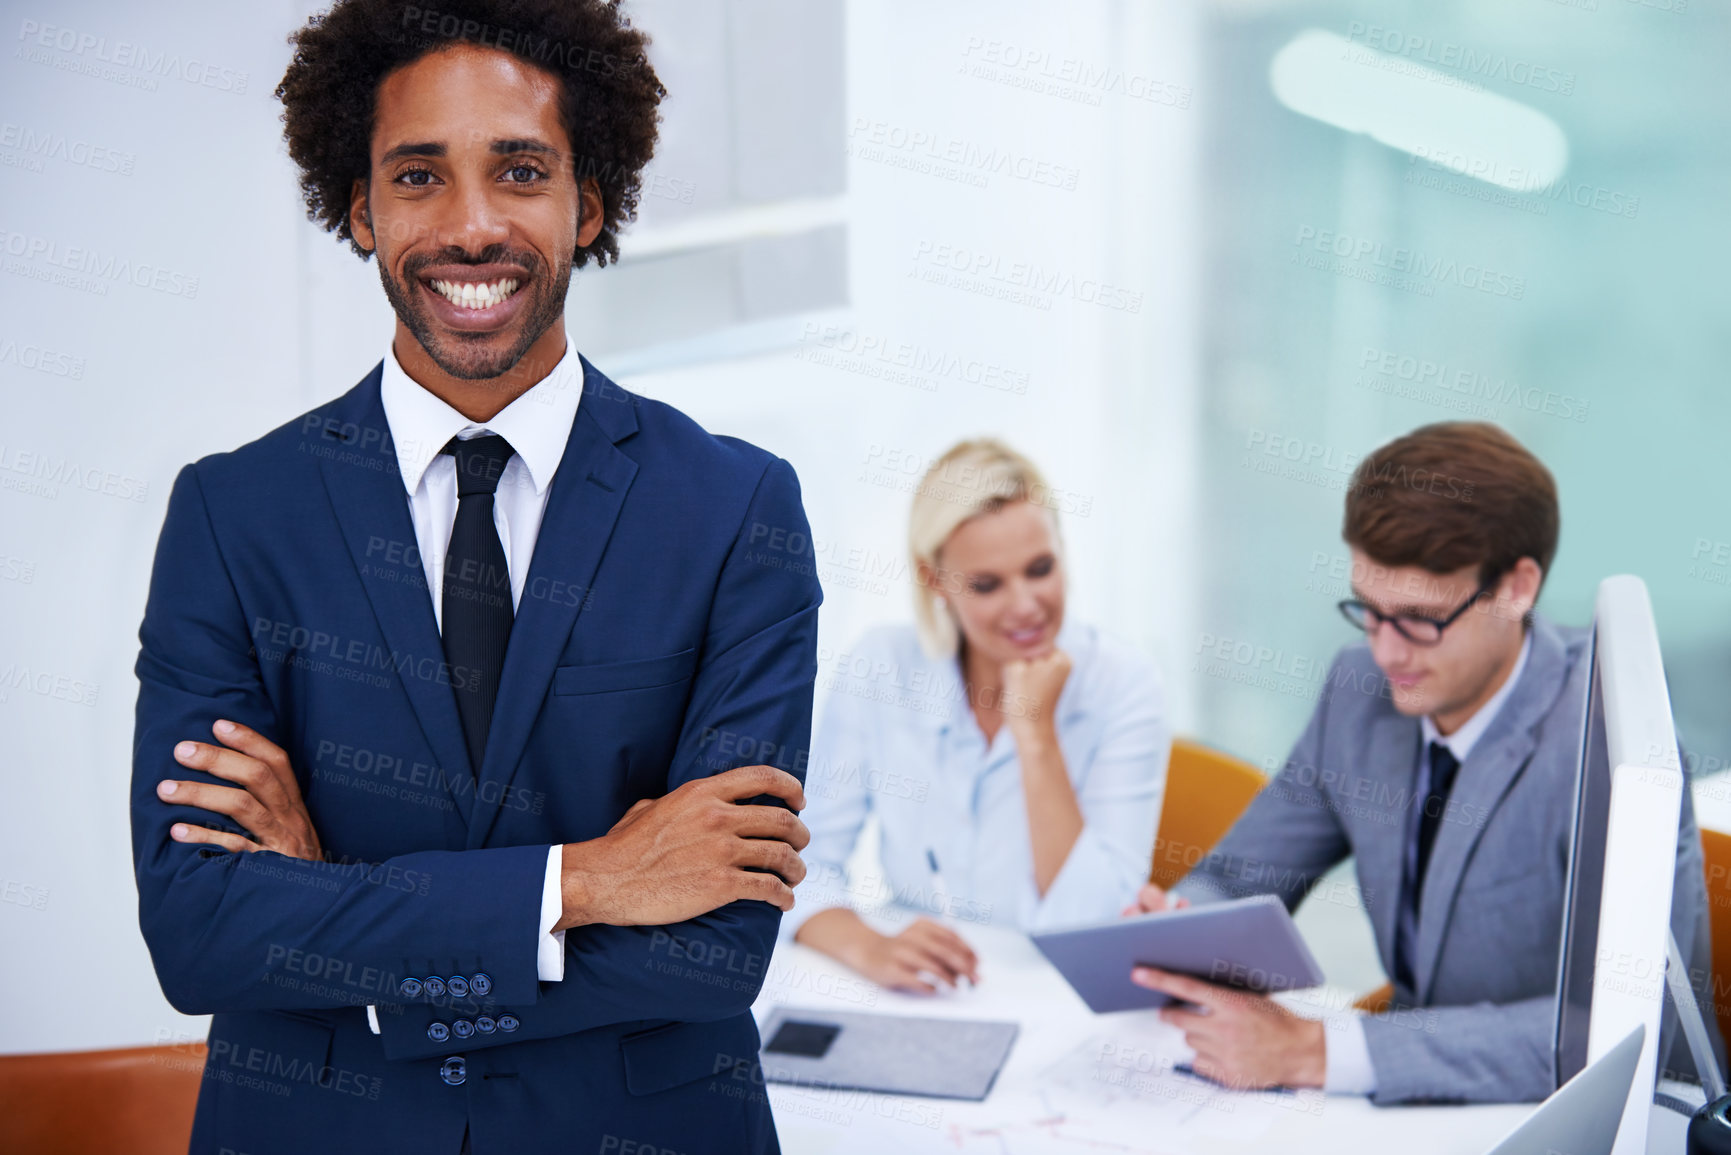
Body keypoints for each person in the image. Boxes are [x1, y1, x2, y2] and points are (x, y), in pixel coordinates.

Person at [129, 5, 818, 1153]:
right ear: (358, 207)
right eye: (416, 176)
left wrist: (326, 902)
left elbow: (714, 949)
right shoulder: (231, 513)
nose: (473, 226)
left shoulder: (737, 510)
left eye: (520, 169)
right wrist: (589, 881)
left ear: (588, 200)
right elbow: (198, 932)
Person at [1126, 421, 1720, 1103]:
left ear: (1516, 587)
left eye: (1418, 618)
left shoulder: (1610, 744)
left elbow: (1623, 1032)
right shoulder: (1358, 692)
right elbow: (1238, 877)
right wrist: (1178, 922)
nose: (1386, 654)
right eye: (1368, 611)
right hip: (1418, 1105)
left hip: (1581, 1114)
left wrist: (1314, 1050)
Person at [787, 439, 1170, 992]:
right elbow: (799, 866)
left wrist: (1036, 734)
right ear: (933, 579)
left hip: (1057, 995)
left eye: (1040, 569)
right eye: (987, 584)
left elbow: (1092, 930)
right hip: (922, 992)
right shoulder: (882, 665)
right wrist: (868, 945)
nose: (1024, 605)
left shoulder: (1123, 683)